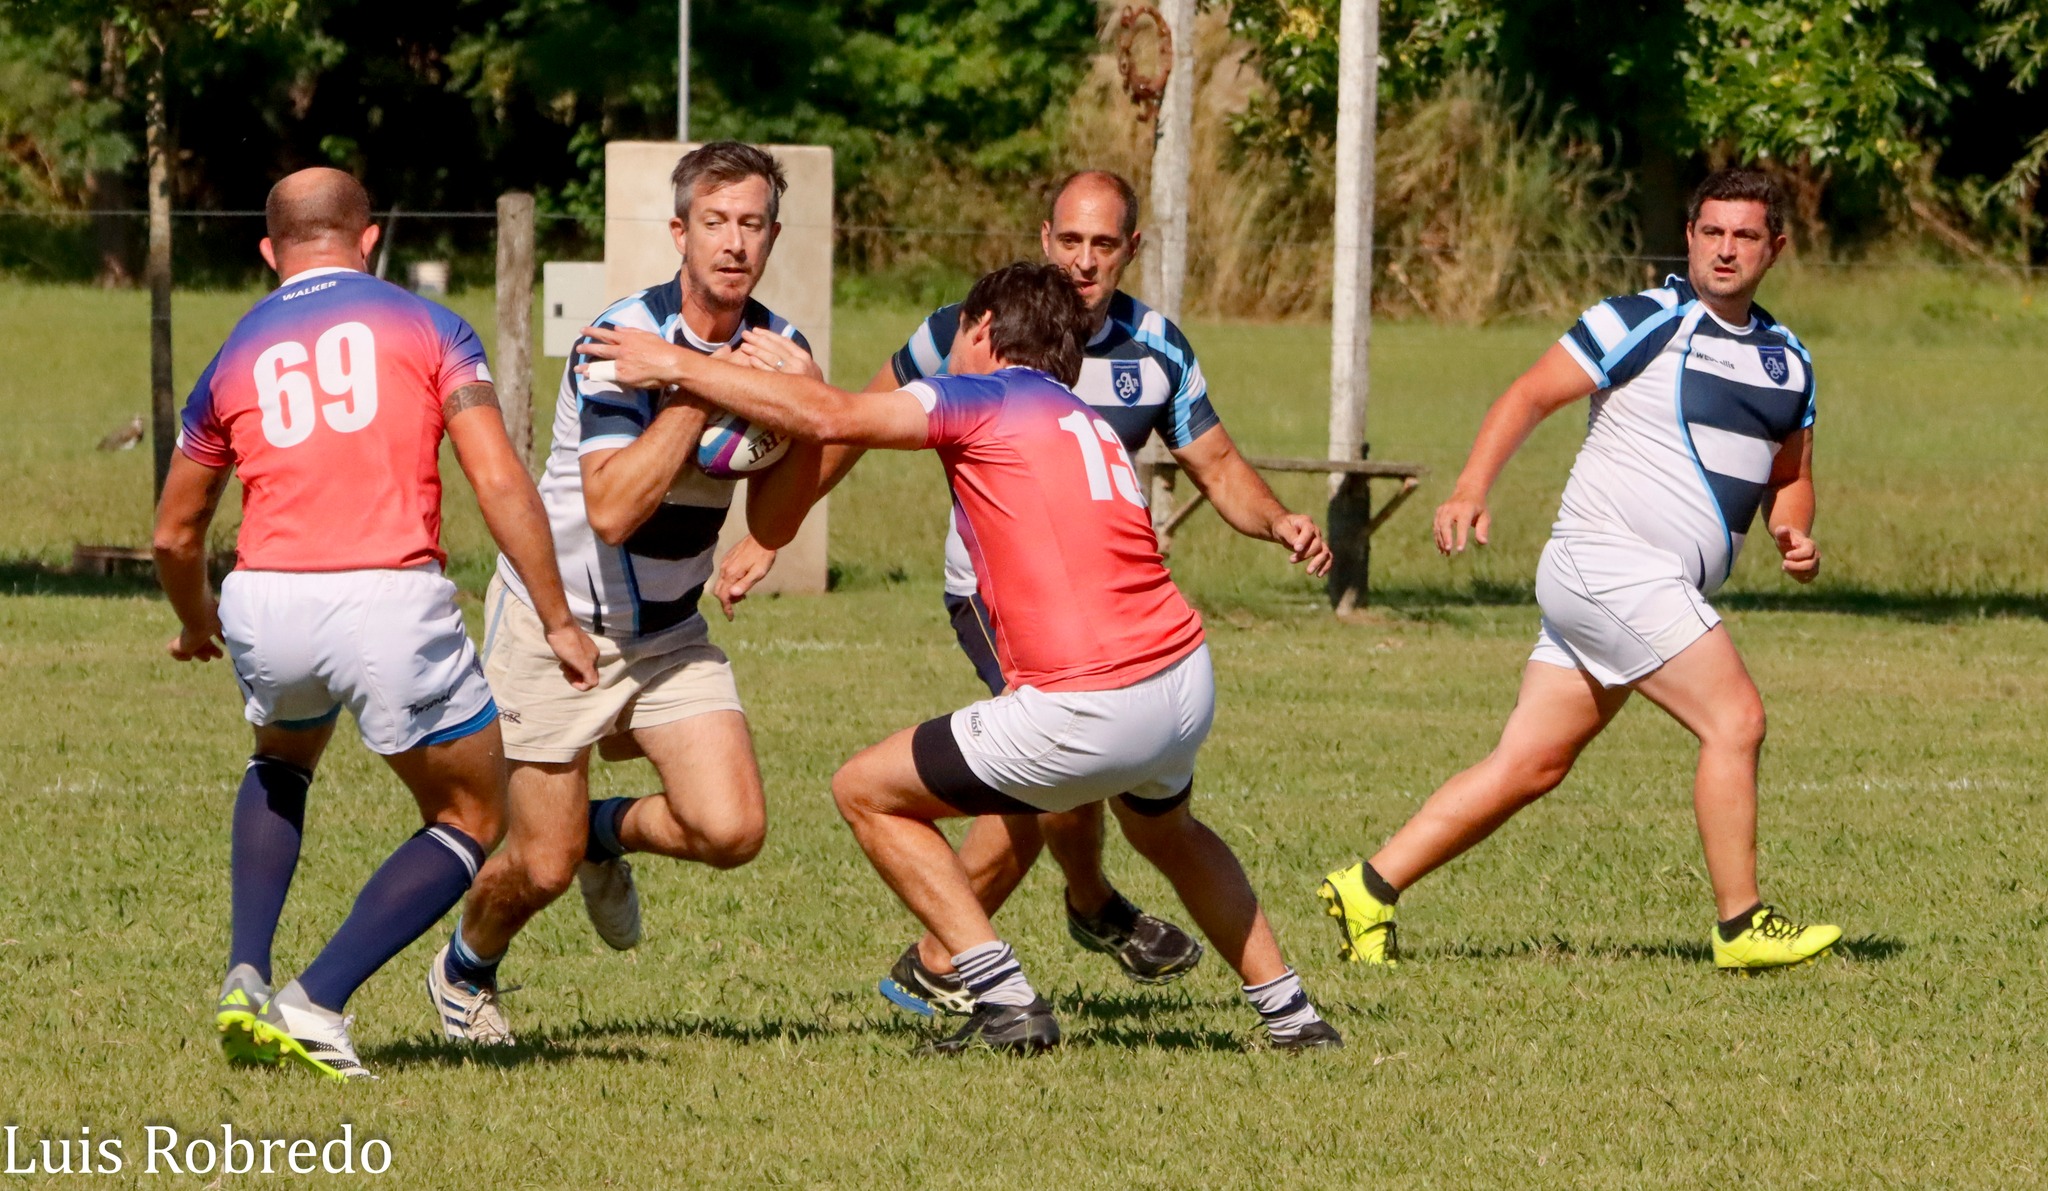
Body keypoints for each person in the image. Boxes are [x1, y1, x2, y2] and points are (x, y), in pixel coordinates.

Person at [579, 261, 1341, 1053]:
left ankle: (999, 994)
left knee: (866, 790)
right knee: (1171, 832)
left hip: (1090, 702)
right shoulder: (1081, 416)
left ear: (981, 330)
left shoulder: (985, 395)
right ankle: (1293, 1015)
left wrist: (676, 364)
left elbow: (834, 417)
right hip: (1182, 680)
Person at [1317, 168, 1841, 971]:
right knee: (1735, 719)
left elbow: (1789, 474)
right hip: (1611, 565)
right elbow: (1529, 395)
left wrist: (1792, 531)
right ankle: (1742, 926)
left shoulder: (1789, 360)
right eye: (1710, 231)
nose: (1724, 249)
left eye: (1744, 235)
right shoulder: (1642, 320)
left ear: (1776, 246)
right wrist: (1471, 487)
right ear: (1689, 236)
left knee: (1531, 763)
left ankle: (1369, 886)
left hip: (1634, 585)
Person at [153, 168, 598, 1081]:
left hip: (266, 599)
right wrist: (557, 615)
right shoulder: (431, 326)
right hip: (387, 598)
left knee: (282, 756)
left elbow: (173, 532)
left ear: (270, 252)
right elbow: (499, 480)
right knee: (474, 811)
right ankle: (314, 1002)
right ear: (370, 240)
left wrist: (197, 622)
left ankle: (245, 971)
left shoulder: (236, 350)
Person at [426, 142, 824, 1044]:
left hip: (670, 633)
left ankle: (606, 832)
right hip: (560, 626)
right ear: (680, 232)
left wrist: (805, 413)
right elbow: (611, 509)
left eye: (752, 224)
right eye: (715, 223)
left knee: (733, 828)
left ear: (772, 237)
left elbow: (781, 500)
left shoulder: (781, 350)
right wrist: (697, 383)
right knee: (542, 863)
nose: (734, 243)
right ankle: (465, 967)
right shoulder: (620, 343)